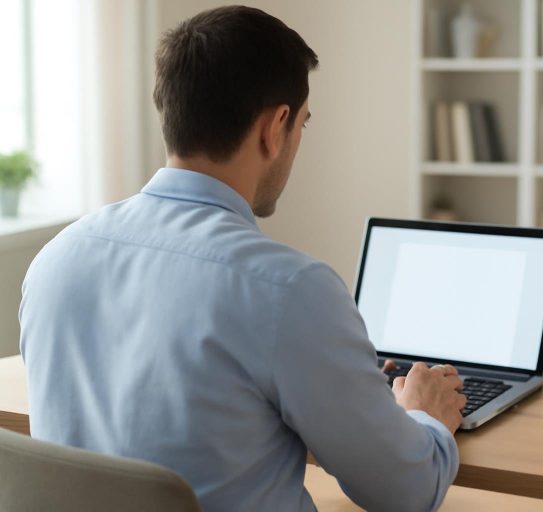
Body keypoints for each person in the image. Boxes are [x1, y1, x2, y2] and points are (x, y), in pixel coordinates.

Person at [19, 6, 465, 511]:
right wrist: (420, 415)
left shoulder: (54, 261)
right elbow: (406, 491)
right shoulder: (290, 289)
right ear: (275, 128)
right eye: (303, 124)